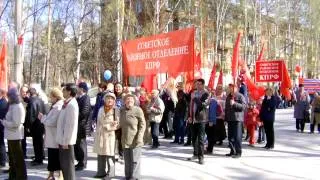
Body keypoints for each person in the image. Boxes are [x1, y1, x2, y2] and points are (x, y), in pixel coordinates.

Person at [0, 88, 27, 180]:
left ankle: (21, 177)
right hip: (11, 135)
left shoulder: (17, 107)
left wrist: (4, 122)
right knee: (12, 159)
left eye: (9, 97)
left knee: (18, 159)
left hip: (15, 135)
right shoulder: (13, 105)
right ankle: (13, 176)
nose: (8, 98)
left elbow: (16, 123)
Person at [38, 88, 64, 180]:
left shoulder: (58, 107)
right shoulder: (55, 106)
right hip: (51, 136)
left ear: (55, 97)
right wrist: (44, 117)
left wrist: (42, 118)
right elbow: (50, 119)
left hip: (55, 136)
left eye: (51, 96)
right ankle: (51, 174)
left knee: (56, 156)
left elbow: (52, 122)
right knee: (52, 156)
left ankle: (60, 175)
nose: (50, 98)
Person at [93, 92, 119, 178]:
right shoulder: (101, 109)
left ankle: (110, 173)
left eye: (111, 98)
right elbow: (98, 121)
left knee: (110, 154)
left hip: (110, 134)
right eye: (108, 98)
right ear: (104, 100)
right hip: (100, 134)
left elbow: (118, 124)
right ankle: (101, 172)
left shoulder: (116, 110)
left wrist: (107, 127)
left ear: (114, 100)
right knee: (100, 154)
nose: (109, 100)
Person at [120, 94, 146, 180]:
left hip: (135, 139)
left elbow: (143, 125)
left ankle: (134, 177)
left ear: (134, 101)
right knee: (127, 160)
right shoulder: (122, 110)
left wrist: (140, 137)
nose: (129, 101)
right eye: (127, 99)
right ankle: (128, 176)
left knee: (135, 160)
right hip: (125, 139)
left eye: (131, 99)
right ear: (124, 102)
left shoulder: (138, 110)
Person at [56, 83, 79, 180]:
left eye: (64, 90)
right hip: (63, 139)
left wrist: (66, 141)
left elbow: (70, 125)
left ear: (69, 92)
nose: (62, 91)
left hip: (67, 141)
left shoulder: (72, 105)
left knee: (68, 166)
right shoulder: (67, 103)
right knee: (65, 165)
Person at [187, 79, 209, 164]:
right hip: (193, 119)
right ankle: (195, 154)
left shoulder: (206, 94)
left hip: (201, 119)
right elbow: (190, 106)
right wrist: (189, 116)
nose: (198, 86)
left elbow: (203, 105)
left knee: (200, 139)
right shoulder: (193, 93)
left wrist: (195, 98)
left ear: (203, 85)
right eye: (197, 84)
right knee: (193, 138)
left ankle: (201, 157)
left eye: (200, 84)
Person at [225, 83, 246, 158]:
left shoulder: (240, 96)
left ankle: (238, 152)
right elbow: (226, 109)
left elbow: (243, 107)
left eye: (232, 87)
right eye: (229, 87)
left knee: (237, 136)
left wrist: (234, 103)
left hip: (237, 119)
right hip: (230, 119)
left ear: (236, 88)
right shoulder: (228, 97)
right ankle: (232, 151)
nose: (230, 89)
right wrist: (225, 118)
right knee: (230, 136)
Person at [26, 88, 46, 166]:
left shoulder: (31, 101)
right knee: (39, 142)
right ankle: (40, 157)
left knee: (36, 143)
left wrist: (28, 126)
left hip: (35, 125)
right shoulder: (40, 100)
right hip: (41, 123)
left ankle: (38, 159)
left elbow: (31, 115)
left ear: (29, 94)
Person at [75, 82, 91, 171]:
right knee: (78, 145)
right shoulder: (79, 98)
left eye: (78, 88)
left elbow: (85, 112)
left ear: (81, 89)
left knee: (82, 145)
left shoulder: (86, 98)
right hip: (79, 125)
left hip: (82, 125)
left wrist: (75, 116)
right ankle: (80, 161)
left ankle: (83, 163)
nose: (77, 89)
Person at [114, 83, 124, 160]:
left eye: (119, 87)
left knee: (121, 138)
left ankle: (122, 155)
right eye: (116, 87)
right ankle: (117, 153)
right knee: (116, 138)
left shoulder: (124, 96)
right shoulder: (114, 96)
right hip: (115, 119)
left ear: (122, 88)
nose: (117, 88)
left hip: (122, 119)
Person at [0, 89, 8, 167]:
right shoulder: (2, 101)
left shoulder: (3, 102)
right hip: (2, 125)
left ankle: (2, 161)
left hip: (1, 125)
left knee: (1, 144)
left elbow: (2, 115)